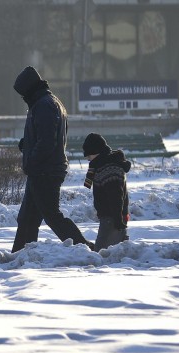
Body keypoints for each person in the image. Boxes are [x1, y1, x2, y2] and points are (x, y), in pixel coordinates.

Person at [10, 66, 92, 253]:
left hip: (45, 170)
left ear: (29, 89)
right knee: (27, 218)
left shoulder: (43, 105)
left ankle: (84, 248)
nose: (22, 97)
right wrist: (28, 144)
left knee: (51, 215)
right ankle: (21, 253)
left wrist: (31, 159)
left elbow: (47, 142)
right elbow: (46, 136)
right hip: (43, 168)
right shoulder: (48, 102)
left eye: (23, 93)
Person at [82, 133, 131, 252]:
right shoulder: (101, 165)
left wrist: (118, 219)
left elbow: (116, 196)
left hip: (113, 217)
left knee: (101, 253)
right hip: (110, 216)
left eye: (89, 155)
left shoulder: (110, 169)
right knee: (116, 250)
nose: (88, 158)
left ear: (97, 151)